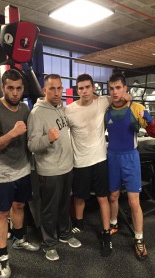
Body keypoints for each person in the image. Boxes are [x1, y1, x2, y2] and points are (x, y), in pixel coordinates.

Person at [0, 69, 40, 278]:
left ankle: (19, 239)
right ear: (3, 88)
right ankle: (2, 256)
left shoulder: (25, 108)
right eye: (10, 88)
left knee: (19, 206)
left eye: (18, 88)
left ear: (23, 89)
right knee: (1, 214)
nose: (15, 93)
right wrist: (12, 133)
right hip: (1, 174)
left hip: (22, 169)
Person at [65, 73, 130, 257]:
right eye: (80, 88)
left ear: (93, 88)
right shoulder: (69, 110)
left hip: (100, 160)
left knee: (103, 197)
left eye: (87, 87)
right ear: (77, 90)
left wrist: (129, 96)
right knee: (79, 197)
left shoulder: (102, 101)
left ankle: (106, 233)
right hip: (80, 162)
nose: (84, 91)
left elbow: (121, 96)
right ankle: (78, 224)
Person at [27, 74, 81, 261]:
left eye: (59, 88)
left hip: (67, 167)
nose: (57, 92)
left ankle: (65, 234)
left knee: (65, 205)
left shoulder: (61, 109)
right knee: (49, 209)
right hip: (49, 170)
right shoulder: (37, 113)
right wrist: (48, 139)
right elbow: (32, 145)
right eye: (52, 88)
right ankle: (48, 243)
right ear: (44, 90)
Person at [106, 72, 155, 260]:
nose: (114, 92)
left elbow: (153, 133)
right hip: (112, 157)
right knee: (112, 195)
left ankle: (139, 238)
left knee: (133, 201)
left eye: (118, 87)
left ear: (125, 88)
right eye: (111, 88)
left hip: (130, 158)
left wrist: (148, 120)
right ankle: (113, 223)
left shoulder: (137, 107)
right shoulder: (106, 110)